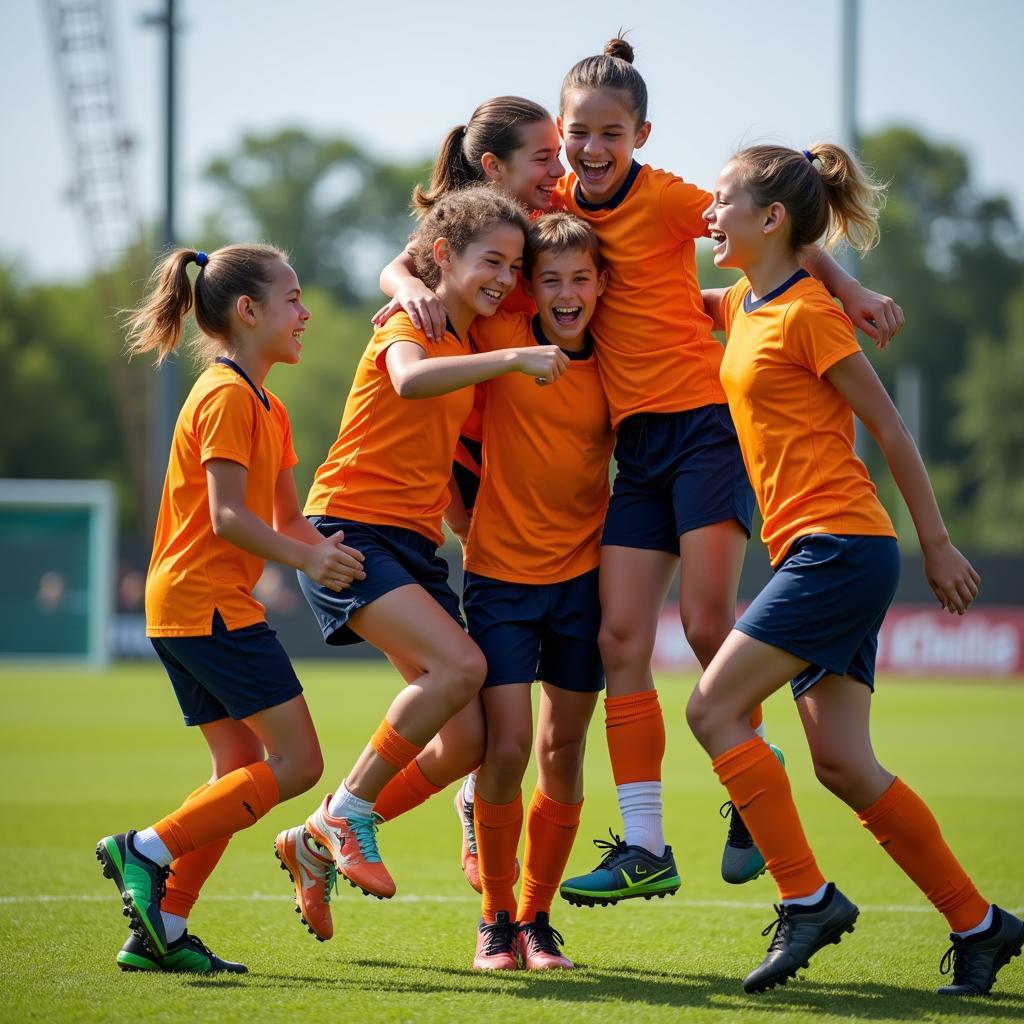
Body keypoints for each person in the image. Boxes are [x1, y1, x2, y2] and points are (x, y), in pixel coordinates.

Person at [555, 37, 905, 905]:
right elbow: (467, 226)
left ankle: (755, 776)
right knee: (619, 641)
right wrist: (406, 274)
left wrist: (849, 291)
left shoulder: (675, 198)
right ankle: (645, 845)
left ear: (639, 133)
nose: (592, 150)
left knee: (711, 630)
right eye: (577, 133)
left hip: (704, 430)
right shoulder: (554, 199)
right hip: (635, 447)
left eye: (610, 133)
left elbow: (774, 232)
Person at [686, 141, 1023, 996]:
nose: (708, 215)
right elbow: (647, 301)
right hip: (816, 553)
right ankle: (980, 925)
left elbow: (893, 432)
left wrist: (937, 542)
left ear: (771, 220)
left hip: (842, 548)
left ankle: (806, 899)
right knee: (841, 762)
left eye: (723, 201)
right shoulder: (739, 306)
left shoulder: (807, 314)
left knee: (713, 707)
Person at [275, 186, 572, 941]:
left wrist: (466, 527)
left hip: (413, 544)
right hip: (351, 533)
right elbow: (406, 379)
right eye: (491, 262)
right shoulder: (416, 320)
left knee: (468, 742)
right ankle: (345, 817)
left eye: (514, 265)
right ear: (443, 257)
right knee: (461, 669)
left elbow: (432, 456)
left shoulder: (467, 342)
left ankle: (313, 841)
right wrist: (511, 357)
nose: (505, 278)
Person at [96, 244, 365, 973]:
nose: (306, 314)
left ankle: (164, 929)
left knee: (240, 764)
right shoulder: (223, 394)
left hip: (196, 603)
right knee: (299, 762)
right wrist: (308, 559)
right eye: (294, 300)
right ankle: (143, 850)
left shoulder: (268, 405)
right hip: (206, 601)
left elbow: (287, 518)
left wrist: (338, 554)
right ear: (249, 312)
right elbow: (226, 518)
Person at [369, 97, 565, 889]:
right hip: (453, 470)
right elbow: (408, 276)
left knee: (478, 729)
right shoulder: (460, 251)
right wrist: (398, 278)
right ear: (494, 168)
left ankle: (338, 825)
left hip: (507, 469)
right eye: (545, 156)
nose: (561, 169)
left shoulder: (544, 233)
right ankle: (342, 821)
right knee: (471, 711)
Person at [451, 212, 614, 971]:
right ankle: (495, 920)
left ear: (602, 284)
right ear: (527, 287)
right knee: (509, 744)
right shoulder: (498, 335)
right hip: (500, 579)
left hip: (584, 581)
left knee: (563, 747)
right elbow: (437, 272)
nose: (566, 292)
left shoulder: (618, 358)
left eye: (581, 277)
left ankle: (537, 920)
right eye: (549, 278)